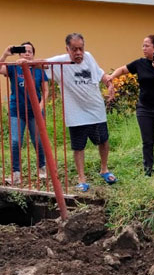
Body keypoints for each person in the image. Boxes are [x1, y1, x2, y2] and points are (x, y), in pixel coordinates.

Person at [47, 33, 116, 192]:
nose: (78, 53)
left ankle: (104, 170)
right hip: (76, 113)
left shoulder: (89, 57)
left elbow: (101, 74)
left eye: (81, 49)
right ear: (67, 49)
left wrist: (109, 83)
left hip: (96, 110)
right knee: (78, 147)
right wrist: (25, 62)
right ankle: (81, 179)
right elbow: (39, 65)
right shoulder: (59, 63)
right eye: (74, 49)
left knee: (103, 141)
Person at [108, 35, 154, 176]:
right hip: (144, 109)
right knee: (147, 142)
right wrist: (111, 77)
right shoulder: (140, 63)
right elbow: (123, 70)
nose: (143, 49)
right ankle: (148, 171)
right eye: (143, 46)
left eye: (147, 46)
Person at [0, 41, 49, 184]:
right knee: (16, 141)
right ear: (19, 54)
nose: (27, 53)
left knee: (37, 140)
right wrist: (5, 55)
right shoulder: (14, 68)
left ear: (33, 55)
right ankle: (16, 173)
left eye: (30, 51)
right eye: (24, 51)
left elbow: (46, 90)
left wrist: (41, 105)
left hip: (34, 111)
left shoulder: (39, 69)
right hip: (16, 110)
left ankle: (42, 168)